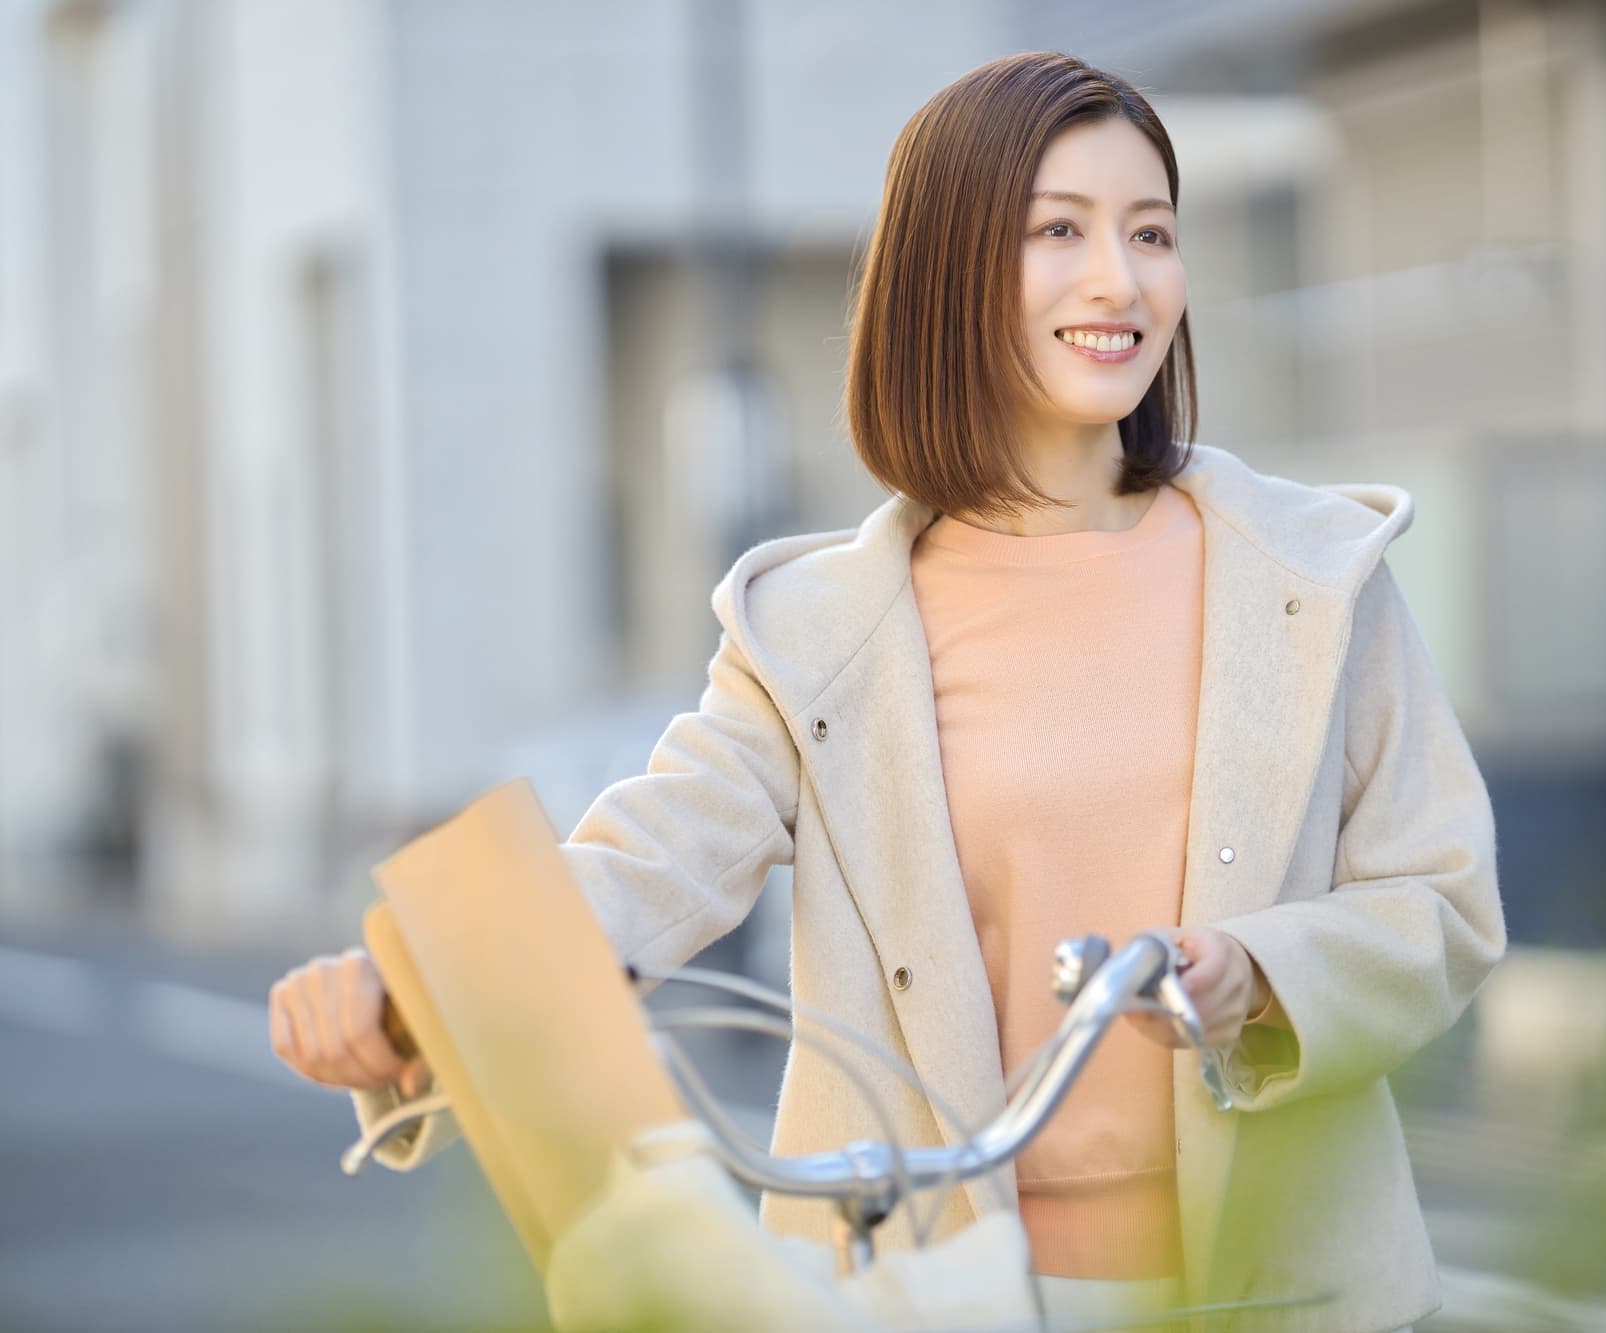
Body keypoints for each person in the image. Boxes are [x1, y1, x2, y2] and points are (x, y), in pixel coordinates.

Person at [268, 50, 1505, 1333]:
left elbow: (1441, 898)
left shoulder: (1308, 574)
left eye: (1151, 232)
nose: (1118, 280)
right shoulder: (820, 633)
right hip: (925, 1289)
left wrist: (1255, 969)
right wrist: (407, 979)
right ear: (946, 271)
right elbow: (650, 861)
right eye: (1057, 232)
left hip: (1288, 1286)